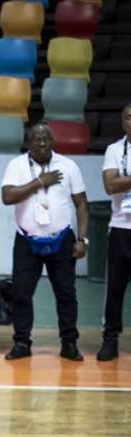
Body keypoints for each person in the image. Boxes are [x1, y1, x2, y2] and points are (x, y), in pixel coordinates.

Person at [0, 123, 89, 362]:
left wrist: (82, 239)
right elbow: (7, 197)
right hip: (27, 240)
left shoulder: (68, 166)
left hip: (62, 240)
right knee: (21, 294)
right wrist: (39, 182)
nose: (42, 143)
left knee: (66, 294)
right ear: (28, 142)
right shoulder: (16, 166)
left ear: (53, 141)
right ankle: (21, 343)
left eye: (46, 139)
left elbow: (81, 203)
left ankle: (69, 343)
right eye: (37, 139)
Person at [99, 103, 131, 361]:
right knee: (114, 289)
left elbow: (119, 181)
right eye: (128, 117)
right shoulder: (114, 149)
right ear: (122, 122)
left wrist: (126, 178)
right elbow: (110, 185)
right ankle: (110, 339)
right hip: (121, 227)